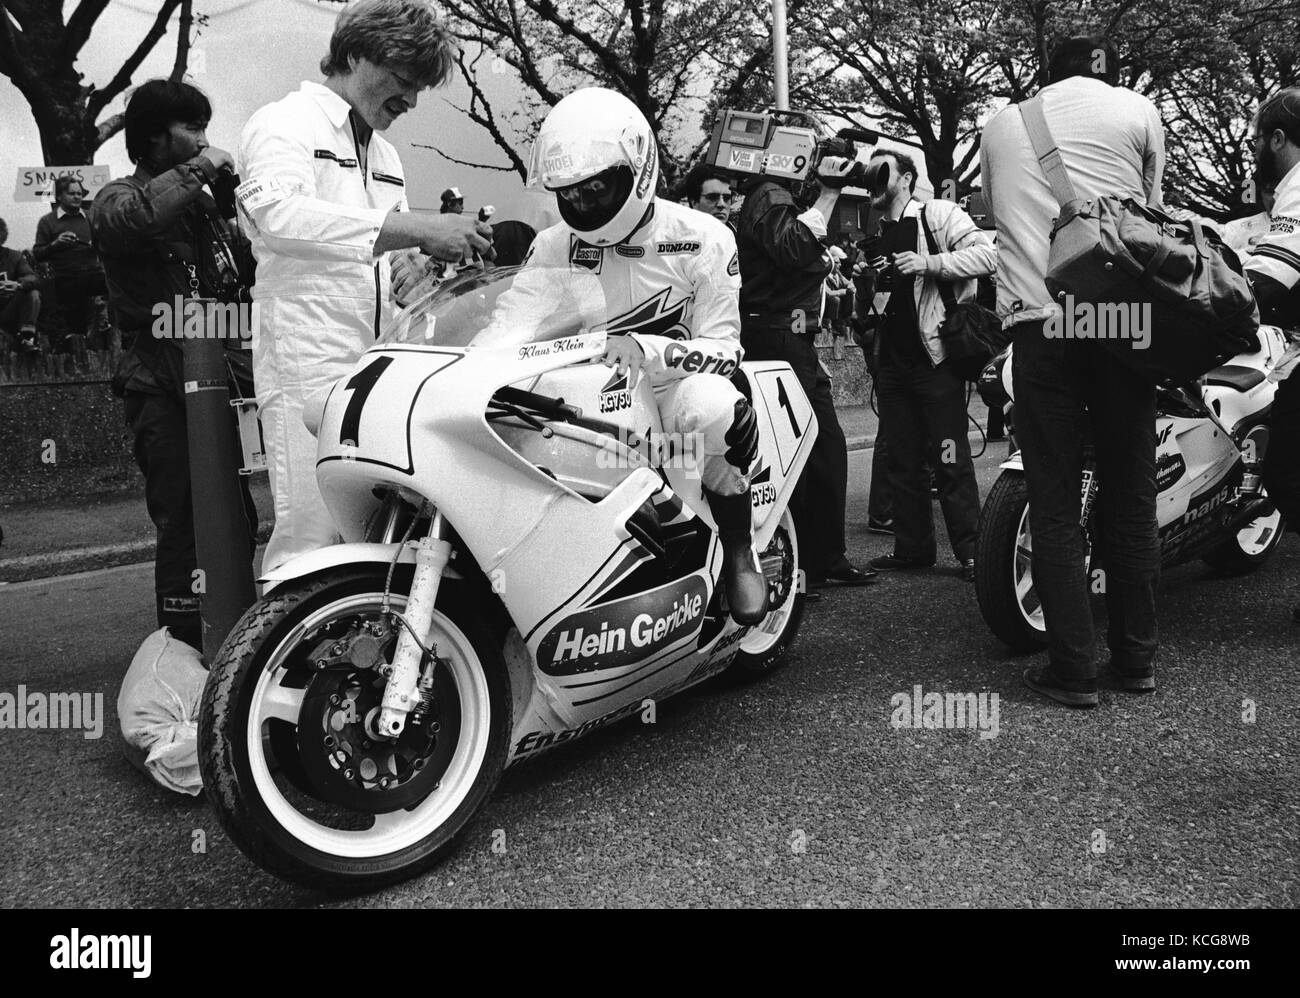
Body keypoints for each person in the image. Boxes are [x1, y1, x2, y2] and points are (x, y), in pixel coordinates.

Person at [471, 87, 768, 624]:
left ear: (638, 164)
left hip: (675, 390)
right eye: (571, 193)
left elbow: (724, 350)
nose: (582, 203)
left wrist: (645, 349)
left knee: (712, 406)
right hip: (593, 396)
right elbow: (509, 327)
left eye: (596, 188)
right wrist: (466, 361)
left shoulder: (705, 236)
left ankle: (739, 545)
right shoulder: (555, 243)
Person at [237, 0, 492, 575]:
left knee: (374, 530)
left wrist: (417, 266)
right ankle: (274, 662)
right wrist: (417, 227)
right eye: (404, 81)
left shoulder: (387, 154)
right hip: (307, 355)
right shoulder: (283, 122)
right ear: (355, 56)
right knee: (312, 530)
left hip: (378, 363)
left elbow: (392, 255)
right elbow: (275, 215)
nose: (410, 101)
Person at [981, 33, 1166, 707]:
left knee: (1053, 495)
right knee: (1131, 489)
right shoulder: (1139, 111)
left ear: (1044, 74)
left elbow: (993, 210)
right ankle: (1137, 659)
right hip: (1123, 322)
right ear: (1106, 75)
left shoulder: (1002, 123)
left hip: (1043, 321)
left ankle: (1074, 670)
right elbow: (1152, 213)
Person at [89, 79, 258, 651]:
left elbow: (242, 276)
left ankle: (238, 642)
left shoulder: (207, 208)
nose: (204, 142)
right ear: (154, 137)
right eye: (193, 130)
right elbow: (130, 223)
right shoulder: (116, 197)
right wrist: (203, 169)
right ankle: (185, 647)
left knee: (235, 514)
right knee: (184, 521)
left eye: (208, 130)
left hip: (220, 379)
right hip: (160, 383)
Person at [734, 141, 877, 592]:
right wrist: (832, 192)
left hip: (790, 340)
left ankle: (814, 559)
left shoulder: (777, 199)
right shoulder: (769, 195)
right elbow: (796, 249)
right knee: (808, 451)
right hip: (778, 339)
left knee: (817, 449)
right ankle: (804, 563)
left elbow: (801, 257)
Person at [862, 150, 994, 581]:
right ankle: (913, 549)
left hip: (936, 359)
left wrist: (930, 263)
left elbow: (988, 255)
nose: (874, 179)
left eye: (884, 171)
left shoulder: (936, 214)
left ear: (906, 179)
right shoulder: (877, 230)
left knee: (949, 456)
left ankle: (974, 551)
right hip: (895, 365)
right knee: (901, 460)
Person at [1242, 87, 1300, 622]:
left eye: (1258, 137)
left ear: (1278, 138)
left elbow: (1269, 279)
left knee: (1285, 471)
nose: (1255, 146)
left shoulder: (1298, 188)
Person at [33, 175, 108, 349]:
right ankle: (79, 340)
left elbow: (107, 245)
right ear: (59, 196)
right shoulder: (48, 221)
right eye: (72, 193)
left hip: (94, 273)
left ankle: (105, 324)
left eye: (80, 194)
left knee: (116, 284)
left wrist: (96, 246)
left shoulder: (91, 217)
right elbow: (37, 254)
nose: (77, 197)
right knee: (75, 307)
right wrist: (56, 245)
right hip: (66, 277)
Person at [0, 219, 41, 353]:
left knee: (32, 293)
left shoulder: (13, 256)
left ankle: (27, 337)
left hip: (8, 311)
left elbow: (33, 278)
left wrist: (17, 285)